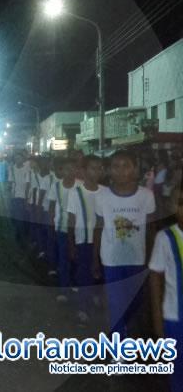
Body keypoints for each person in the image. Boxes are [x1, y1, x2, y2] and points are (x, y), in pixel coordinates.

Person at [93, 151, 155, 340]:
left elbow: (150, 229)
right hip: (111, 259)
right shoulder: (102, 197)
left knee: (134, 301)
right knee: (115, 302)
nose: (120, 171)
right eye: (116, 166)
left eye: (125, 166)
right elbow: (98, 228)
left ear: (135, 169)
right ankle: (119, 347)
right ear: (109, 171)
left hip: (137, 258)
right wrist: (95, 260)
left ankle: (126, 329)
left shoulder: (146, 196)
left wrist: (152, 260)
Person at [149, 188, 183, 392]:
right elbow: (155, 279)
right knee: (177, 370)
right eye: (181, 203)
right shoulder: (165, 238)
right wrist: (157, 319)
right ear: (172, 206)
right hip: (174, 318)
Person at [67, 155, 105, 325]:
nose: (96, 172)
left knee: (98, 273)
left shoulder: (106, 192)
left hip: (104, 241)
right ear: (83, 170)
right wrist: (71, 244)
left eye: (99, 168)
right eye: (92, 168)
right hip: (83, 240)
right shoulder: (75, 193)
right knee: (84, 274)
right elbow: (71, 220)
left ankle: (95, 297)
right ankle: (83, 308)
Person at [48, 157, 80, 302]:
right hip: (61, 227)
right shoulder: (56, 186)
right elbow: (51, 207)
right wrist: (51, 225)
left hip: (79, 229)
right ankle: (63, 288)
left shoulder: (81, 186)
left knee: (76, 257)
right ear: (61, 171)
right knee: (63, 258)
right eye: (67, 169)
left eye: (73, 169)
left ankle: (74, 282)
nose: (70, 172)